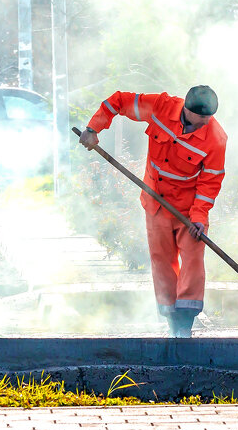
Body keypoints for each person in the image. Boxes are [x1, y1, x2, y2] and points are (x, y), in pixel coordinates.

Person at [79, 85, 227, 338]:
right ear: (186, 110)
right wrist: (93, 129)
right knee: (162, 262)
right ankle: (171, 322)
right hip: (155, 202)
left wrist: (199, 218)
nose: (206, 122)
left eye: (209, 117)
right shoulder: (161, 107)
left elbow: (210, 181)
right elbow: (119, 101)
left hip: (188, 209)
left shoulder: (215, 138)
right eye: (201, 117)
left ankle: (185, 324)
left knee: (192, 262)